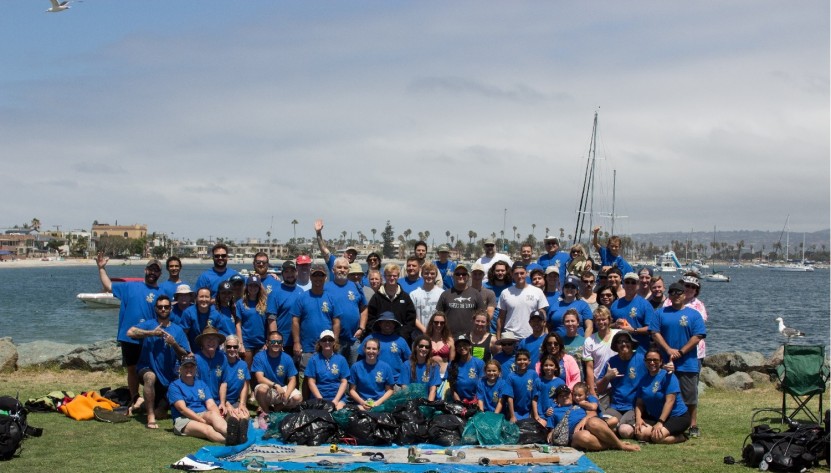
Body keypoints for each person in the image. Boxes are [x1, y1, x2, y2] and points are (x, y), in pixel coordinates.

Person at [96, 253, 162, 404]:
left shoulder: (161, 292)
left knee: (151, 369)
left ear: (159, 273)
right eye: (150, 269)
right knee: (132, 369)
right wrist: (101, 268)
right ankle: (134, 398)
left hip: (150, 336)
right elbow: (108, 285)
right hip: (128, 336)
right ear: (145, 270)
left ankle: (152, 399)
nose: (153, 272)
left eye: (156, 270)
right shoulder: (129, 286)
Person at [651, 281, 706, 438]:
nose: (676, 295)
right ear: (669, 295)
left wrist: (681, 352)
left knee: (689, 396)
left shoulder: (694, 314)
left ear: (684, 295)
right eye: (672, 292)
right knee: (663, 394)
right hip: (664, 363)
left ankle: (693, 424)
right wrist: (668, 350)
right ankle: (665, 420)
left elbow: (698, 336)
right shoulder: (660, 313)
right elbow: (654, 332)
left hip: (687, 363)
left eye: (679, 293)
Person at [127, 295, 190, 429]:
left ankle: (142, 406)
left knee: (161, 413)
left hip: (167, 378)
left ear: (170, 308)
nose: (163, 309)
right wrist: (151, 333)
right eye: (160, 307)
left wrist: (174, 344)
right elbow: (130, 332)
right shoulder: (149, 324)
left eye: (166, 307)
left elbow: (185, 354)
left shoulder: (177, 330)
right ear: (155, 308)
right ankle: (150, 417)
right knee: (150, 377)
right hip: (146, 369)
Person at [168, 355, 240, 445]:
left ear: (195, 368)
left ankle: (235, 434)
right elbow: (182, 409)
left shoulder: (201, 384)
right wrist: (201, 420)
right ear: (180, 369)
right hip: (183, 419)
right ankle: (233, 441)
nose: (189, 369)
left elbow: (211, 404)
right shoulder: (174, 386)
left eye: (192, 366)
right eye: (186, 366)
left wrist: (217, 417)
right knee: (207, 429)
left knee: (213, 414)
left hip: (202, 413)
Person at [546, 385, 640, 452]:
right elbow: (552, 428)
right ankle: (615, 444)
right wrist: (551, 433)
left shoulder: (580, 402)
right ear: (556, 399)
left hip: (589, 425)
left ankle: (620, 445)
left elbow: (593, 412)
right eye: (561, 396)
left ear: (571, 395)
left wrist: (584, 420)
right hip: (574, 434)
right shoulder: (553, 411)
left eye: (566, 394)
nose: (565, 397)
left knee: (593, 422)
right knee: (583, 436)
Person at [634, 345, 690, 444]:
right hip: (656, 417)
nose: (652, 362)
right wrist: (638, 419)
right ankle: (663, 431)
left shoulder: (668, 376)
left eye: (655, 360)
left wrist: (660, 422)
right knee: (640, 434)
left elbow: (670, 401)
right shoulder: (643, 379)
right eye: (649, 360)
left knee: (657, 438)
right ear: (645, 361)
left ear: (660, 362)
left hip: (677, 417)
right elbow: (639, 403)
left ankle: (682, 437)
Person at [291, 263, 341, 375]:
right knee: (306, 377)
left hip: (327, 346)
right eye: (315, 275)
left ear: (325, 278)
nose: (318, 278)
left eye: (321, 276)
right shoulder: (302, 297)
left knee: (325, 376)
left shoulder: (331, 298)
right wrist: (296, 342)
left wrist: (335, 341)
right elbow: (295, 321)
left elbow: (336, 322)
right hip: (307, 347)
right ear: (310, 277)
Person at [596, 331, 646, 435]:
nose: (623, 344)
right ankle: (614, 428)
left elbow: (656, 373)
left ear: (631, 343)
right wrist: (607, 377)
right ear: (616, 346)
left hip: (634, 407)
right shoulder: (612, 362)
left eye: (626, 341)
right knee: (602, 423)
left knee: (624, 431)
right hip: (615, 406)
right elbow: (599, 389)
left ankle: (617, 429)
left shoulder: (642, 359)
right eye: (619, 342)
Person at [324, 257, 368, 365]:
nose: (342, 270)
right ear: (333, 270)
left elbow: (364, 308)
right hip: (334, 340)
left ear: (348, 270)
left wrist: (361, 328)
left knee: (354, 370)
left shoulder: (356, 287)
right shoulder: (325, 288)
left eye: (345, 267)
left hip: (354, 339)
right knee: (335, 369)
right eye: (339, 267)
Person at [252, 331, 302, 419]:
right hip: (268, 388)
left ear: (282, 344)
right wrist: (275, 385)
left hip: (282, 389)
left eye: (279, 342)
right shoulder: (259, 357)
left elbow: (292, 380)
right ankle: (267, 413)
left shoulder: (287, 358)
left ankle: (276, 409)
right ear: (267, 343)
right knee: (262, 389)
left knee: (298, 398)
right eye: (273, 341)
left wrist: (286, 395)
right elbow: (260, 378)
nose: (276, 344)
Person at [366, 263, 417, 344]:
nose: (392, 278)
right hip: (380, 340)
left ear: (398, 276)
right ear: (385, 277)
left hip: (401, 339)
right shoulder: (376, 297)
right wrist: (380, 333)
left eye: (394, 275)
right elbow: (370, 318)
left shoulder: (405, 297)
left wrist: (402, 334)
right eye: (389, 275)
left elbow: (411, 319)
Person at [495, 263, 548, 340]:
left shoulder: (538, 291)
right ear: (512, 275)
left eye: (522, 273)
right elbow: (501, 318)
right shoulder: (505, 293)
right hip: (510, 338)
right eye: (516, 274)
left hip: (532, 336)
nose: (519, 276)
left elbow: (543, 315)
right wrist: (498, 338)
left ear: (526, 273)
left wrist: (544, 334)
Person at [359, 312, 411, 384]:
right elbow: (360, 359)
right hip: (374, 380)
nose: (388, 324)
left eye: (390, 322)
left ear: (394, 324)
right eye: (385, 322)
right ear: (379, 324)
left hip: (396, 381)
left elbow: (409, 361)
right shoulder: (370, 339)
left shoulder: (401, 340)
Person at [304, 330, 351, 410]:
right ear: (320, 343)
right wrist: (321, 401)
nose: (327, 342)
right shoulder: (313, 360)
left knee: (338, 413)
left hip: (337, 397)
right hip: (319, 397)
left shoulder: (341, 359)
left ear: (334, 342)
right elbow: (311, 382)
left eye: (330, 340)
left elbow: (344, 382)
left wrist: (335, 400)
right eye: (324, 340)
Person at [436, 264, 485, 337]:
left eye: (464, 274)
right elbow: (439, 316)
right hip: (449, 337)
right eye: (458, 274)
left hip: (471, 337)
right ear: (453, 276)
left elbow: (482, 316)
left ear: (468, 277)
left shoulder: (476, 294)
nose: (461, 276)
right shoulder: (445, 294)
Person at [610, 272, 654, 353]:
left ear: (638, 285)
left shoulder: (645, 305)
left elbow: (651, 329)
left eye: (633, 283)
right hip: (619, 351)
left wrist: (633, 330)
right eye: (627, 282)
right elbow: (608, 326)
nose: (630, 285)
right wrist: (615, 324)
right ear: (623, 284)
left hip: (640, 351)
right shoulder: (615, 304)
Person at [266, 260, 304, 350]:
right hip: (282, 342)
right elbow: (271, 319)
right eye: (286, 272)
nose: (290, 274)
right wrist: (276, 341)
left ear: (296, 272)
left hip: (299, 341)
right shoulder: (275, 292)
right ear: (282, 274)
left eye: (292, 271)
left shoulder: (301, 292)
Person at [348, 338, 394, 410]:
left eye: (374, 349)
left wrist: (378, 403)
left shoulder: (386, 367)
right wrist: (363, 403)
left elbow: (390, 390)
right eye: (368, 348)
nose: (371, 351)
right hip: (361, 404)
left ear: (378, 351)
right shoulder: (355, 367)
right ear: (364, 349)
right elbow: (352, 390)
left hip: (379, 404)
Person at [583, 306, 619, 397]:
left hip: (619, 383)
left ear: (609, 320)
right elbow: (589, 368)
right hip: (600, 385)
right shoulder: (589, 341)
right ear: (594, 322)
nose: (601, 322)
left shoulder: (619, 334)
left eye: (603, 319)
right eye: (598, 320)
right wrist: (592, 391)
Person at [235, 275, 268, 364]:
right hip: (247, 343)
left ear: (259, 287)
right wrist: (240, 344)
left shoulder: (265, 303)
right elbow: (238, 325)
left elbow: (268, 324)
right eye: (251, 285)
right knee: (247, 371)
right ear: (247, 287)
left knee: (259, 371)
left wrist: (268, 341)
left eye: (255, 286)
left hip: (261, 343)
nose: (253, 288)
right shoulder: (240, 303)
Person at [218, 335, 251, 425]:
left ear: (238, 348)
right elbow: (217, 386)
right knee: (234, 417)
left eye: (235, 347)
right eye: (229, 347)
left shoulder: (243, 365)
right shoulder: (219, 363)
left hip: (235, 401)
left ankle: (241, 432)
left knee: (245, 416)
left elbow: (245, 385)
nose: (232, 349)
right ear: (224, 347)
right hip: (219, 401)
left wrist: (242, 403)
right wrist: (226, 403)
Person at [193, 325, 229, 406]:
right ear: (202, 342)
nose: (211, 342)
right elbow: (194, 384)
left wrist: (222, 403)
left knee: (240, 417)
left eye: (214, 339)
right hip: (200, 402)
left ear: (218, 342)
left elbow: (223, 383)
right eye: (207, 339)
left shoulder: (223, 358)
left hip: (218, 402)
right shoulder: (195, 359)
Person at [399, 336, 442, 401]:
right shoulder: (406, 365)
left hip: (429, 401)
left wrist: (428, 406)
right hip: (411, 401)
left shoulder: (434, 366)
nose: (424, 349)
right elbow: (405, 388)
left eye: (427, 347)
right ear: (416, 347)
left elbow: (433, 390)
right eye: (421, 346)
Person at [447, 334, 485, 404]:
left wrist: (475, 401)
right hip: (458, 402)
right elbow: (452, 389)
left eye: (464, 344)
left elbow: (482, 386)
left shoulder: (479, 363)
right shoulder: (451, 365)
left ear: (470, 346)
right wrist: (460, 404)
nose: (462, 347)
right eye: (459, 346)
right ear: (456, 349)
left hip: (476, 402)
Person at [532, 354, 565, 427]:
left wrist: (553, 409)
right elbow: (534, 400)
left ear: (556, 367)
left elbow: (563, 401)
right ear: (542, 367)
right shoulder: (538, 381)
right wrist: (536, 416)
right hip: (542, 415)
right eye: (546, 365)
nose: (548, 367)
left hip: (555, 415)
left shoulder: (561, 382)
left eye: (551, 365)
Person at [411, 262, 444, 335]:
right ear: (421, 274)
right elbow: (412, 316)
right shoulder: (414, 294)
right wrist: (424, 330)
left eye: (432, 274)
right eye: (426, 273)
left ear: (436, 275)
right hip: (419, 335)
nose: (429, 276)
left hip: (437, 335)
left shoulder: (442, 293)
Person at [506, 349, 538, 422]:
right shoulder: (511, 376)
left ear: (529, 361)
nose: (522, 362)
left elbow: (535, 396)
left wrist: (533, 413)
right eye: (519, 359)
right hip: (516, 412)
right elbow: (510, 397)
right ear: (515, 362)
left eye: (525, 359)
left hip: (529, 412)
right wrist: (512, 416)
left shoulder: (533, 374)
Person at [424, 312, 454, 377]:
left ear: (445, 324)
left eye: (442, 323)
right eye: (436, 322)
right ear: (432, 323)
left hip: (444, 374)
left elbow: (452, 362)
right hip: (428, 373)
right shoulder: (426, 339)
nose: (439, 325)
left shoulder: (449, 340)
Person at [561, 310, 586, 381]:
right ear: (564, 324)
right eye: (567, 321)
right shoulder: (559, 342)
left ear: (578, 323)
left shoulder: (585, 342)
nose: (570, 323)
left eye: (572, 321)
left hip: (580, 381)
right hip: (564, 380)